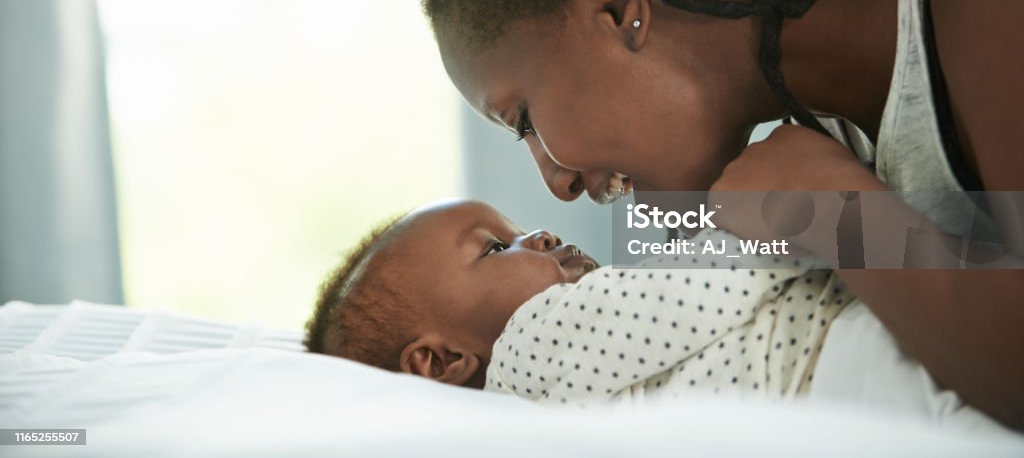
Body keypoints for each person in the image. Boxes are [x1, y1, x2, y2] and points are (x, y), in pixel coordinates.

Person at [365, 0, 1024, 428]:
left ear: (616, 2)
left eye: (526, 120)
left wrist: (834, 207)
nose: (559, 182)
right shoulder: (825, 123)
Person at [304, 199, 1005, 433]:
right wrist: (793, 203)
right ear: (441, 360)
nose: (538, 235)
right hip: (835, 367)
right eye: (495, 247)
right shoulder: (529, 349)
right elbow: (706, 285)